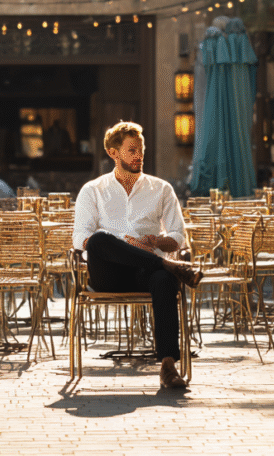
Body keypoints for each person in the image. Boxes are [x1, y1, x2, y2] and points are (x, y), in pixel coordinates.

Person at [73, 121, 202, 390]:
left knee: (164, 281)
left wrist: (156, 241)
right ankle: (170, 266)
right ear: (113, 154)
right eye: (132, 150)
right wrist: (125, 244)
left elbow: (178, 236)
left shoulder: (161, 189)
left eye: (141, 150)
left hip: (146, 273)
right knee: (98, 240)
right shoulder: (93, 190)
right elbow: (81, 240)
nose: (139, 156)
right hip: (109, 275)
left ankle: (168, 366)